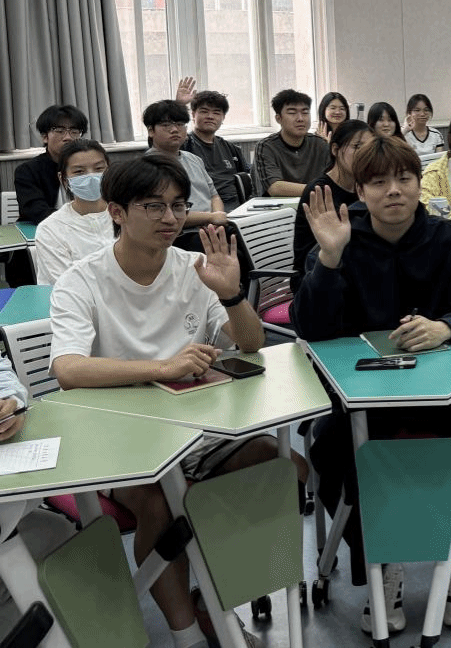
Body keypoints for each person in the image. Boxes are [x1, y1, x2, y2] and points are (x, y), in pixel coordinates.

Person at [49, 155, 291, 648]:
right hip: (119, 435)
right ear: (117, 212)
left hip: (196, 429)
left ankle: (217, 597)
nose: (170, 218)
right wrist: (162, 368)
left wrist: (232, 296)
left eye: (179, 206)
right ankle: (188, 634)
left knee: (275, 464)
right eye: (153, 206)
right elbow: (68, 370)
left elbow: (251, 344)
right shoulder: (82, 279)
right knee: (159, 506)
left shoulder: (192, 269)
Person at [295, 138, 451, 633]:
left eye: (404, 179)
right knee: (331, 447)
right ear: (360, 191)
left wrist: (446, 326)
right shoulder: (339, 238)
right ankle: (382, 566)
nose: (393, 190)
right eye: (378, 182)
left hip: (446, 393)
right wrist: (329, 258)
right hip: (362, 397)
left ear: (419, 184)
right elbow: (311, 327)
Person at [292, 120, 371, 290]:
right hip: (315, 278)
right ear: (335, 149)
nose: (365, 154)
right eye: (357, 147)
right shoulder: (319, 191)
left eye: (369, 148)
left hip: (351, 272)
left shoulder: (365, 186)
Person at [33, 138, 112, 286]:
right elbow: (66, 285)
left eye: (99, 169)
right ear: (64, 179)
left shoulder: (128, 215)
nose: (91, 176)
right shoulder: (51, 229)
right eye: (79, 172)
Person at [143, 100, 227, 229]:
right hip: (180, 232)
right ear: (151, 131)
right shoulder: (147, 167)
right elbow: (164, 214)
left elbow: (214, 196)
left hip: (212, 226)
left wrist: (218, 219)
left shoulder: (194, 159)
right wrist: (211, 218)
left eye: (180, 124)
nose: (175, 130)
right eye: (166, 125)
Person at [15, 104, 86, 223]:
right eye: (60, 131)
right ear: (45, 137)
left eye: (74, 131)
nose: (68, 137)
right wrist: (75, 220)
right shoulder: (28, 170)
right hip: (43, 229)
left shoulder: (89, 167)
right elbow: (35, 211)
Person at [253, 90, 332, 197]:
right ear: (278, 119)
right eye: (292, 113)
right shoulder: (266, 147)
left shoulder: (320, 144)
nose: (300, 118)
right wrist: (320, 189)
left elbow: (336, 179)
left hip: (314, 203)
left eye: (305, 112)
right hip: (278, 206)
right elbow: (275, 188)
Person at [182, 90, 250, 211]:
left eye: (216, 112)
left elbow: (247, 176)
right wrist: (179, 105)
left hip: (238, 208)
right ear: (193, 115)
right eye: (204, 111)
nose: (210, 116)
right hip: (203, 210)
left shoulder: (231, 149)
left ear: (223, 118)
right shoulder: (184, 145)